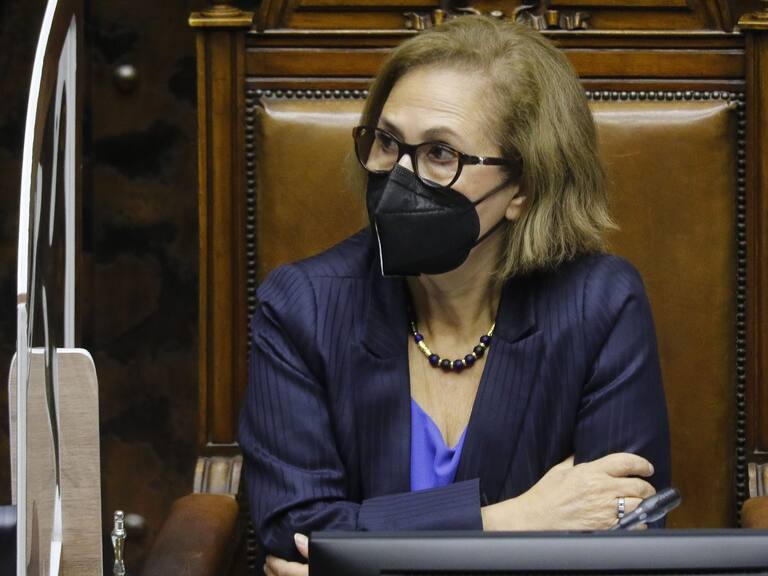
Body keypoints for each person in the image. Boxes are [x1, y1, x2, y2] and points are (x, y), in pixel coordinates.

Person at [239, 15, 670, 576]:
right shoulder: (303, 306)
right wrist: (512, 520)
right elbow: (296, 530)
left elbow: (624, 537)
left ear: (524, 188)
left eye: (441, 154)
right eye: (387, 142)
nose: (398, 176)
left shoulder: (600, 306)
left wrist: (367, 555)